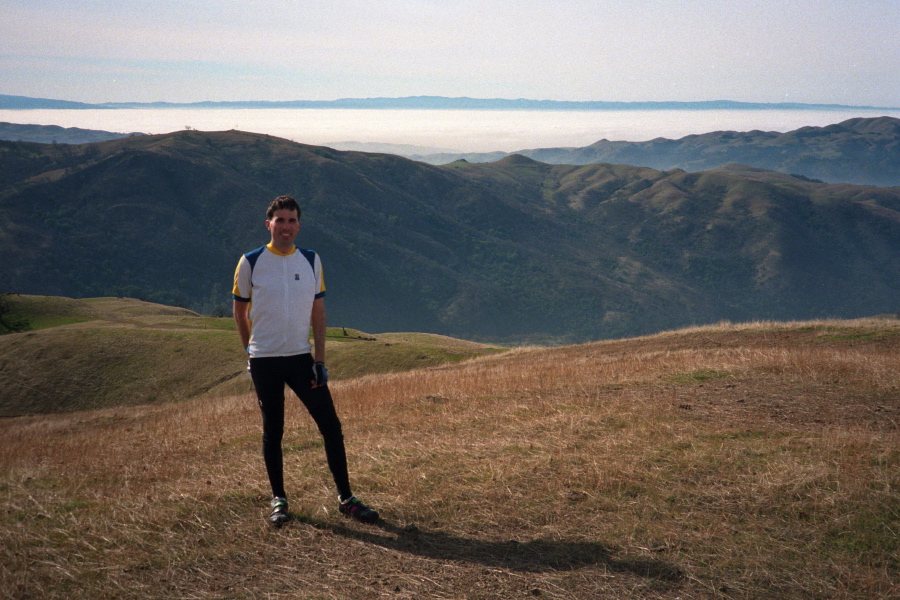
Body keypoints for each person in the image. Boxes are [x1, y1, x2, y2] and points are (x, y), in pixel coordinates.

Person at [232, 195, 378, 526]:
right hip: (265, 361)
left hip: (301, 358)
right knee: (274, 430)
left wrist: (320, 360)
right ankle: (279, 500)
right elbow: (239, 311)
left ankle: (346, 498)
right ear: (268, 224)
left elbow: (318, 311)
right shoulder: (250, 261)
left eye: (291, 220)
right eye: (279, 220)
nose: (286, 226)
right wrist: (250, 352)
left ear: (299, 225)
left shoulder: (311, 260)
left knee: (331, 426)